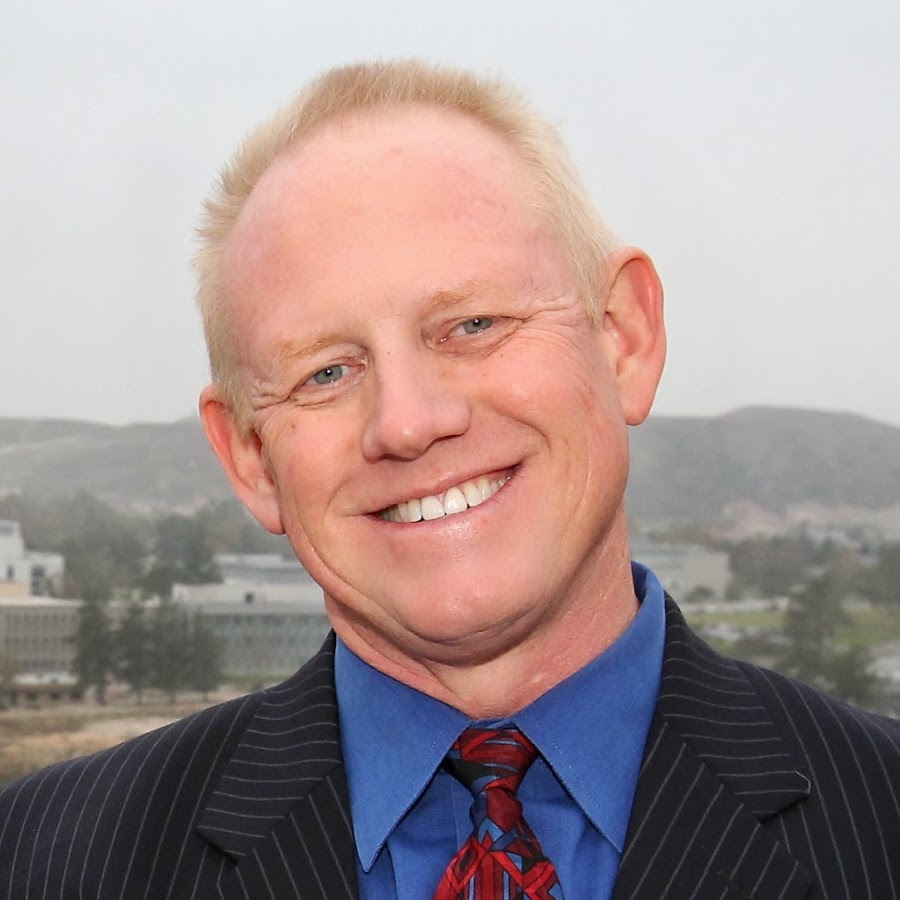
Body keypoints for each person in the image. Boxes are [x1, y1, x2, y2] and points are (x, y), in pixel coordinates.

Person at [1, 59, 897, 900]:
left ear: (624, 336)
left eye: (472, 325)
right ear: (250, 457)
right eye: (326, 372)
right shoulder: (44, 859)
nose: (407, 421)